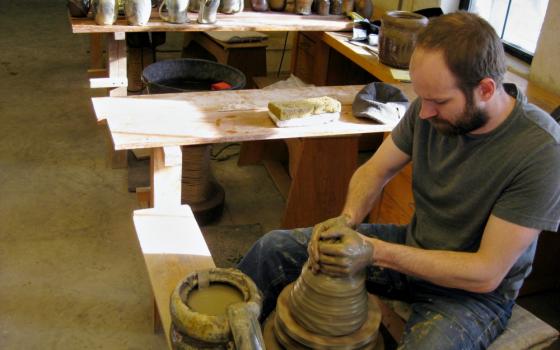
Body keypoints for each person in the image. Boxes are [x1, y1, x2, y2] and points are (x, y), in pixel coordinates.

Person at [238, 11, 560, 349]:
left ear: (486, 89)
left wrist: (374, 251)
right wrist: (348, 221)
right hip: (414, 245)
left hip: (471, 295)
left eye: (438, 101)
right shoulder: (428, 109)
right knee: (271, 250)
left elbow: (485, 272)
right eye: (423, 98)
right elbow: (374, 170)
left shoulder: (540, 150)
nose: (424, 113)